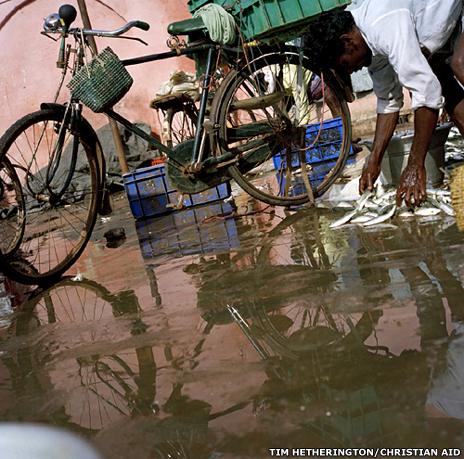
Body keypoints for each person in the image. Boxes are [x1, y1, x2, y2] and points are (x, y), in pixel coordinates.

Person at [303, 0, 464, 207]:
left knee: (460, 65)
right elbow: (388, 100)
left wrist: (415, 164)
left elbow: (426, 91)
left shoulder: (383, 26)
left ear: (348, 42)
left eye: (345, 64)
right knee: (442, 79)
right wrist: (375, 159)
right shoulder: (365, 39)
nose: (351, 71)